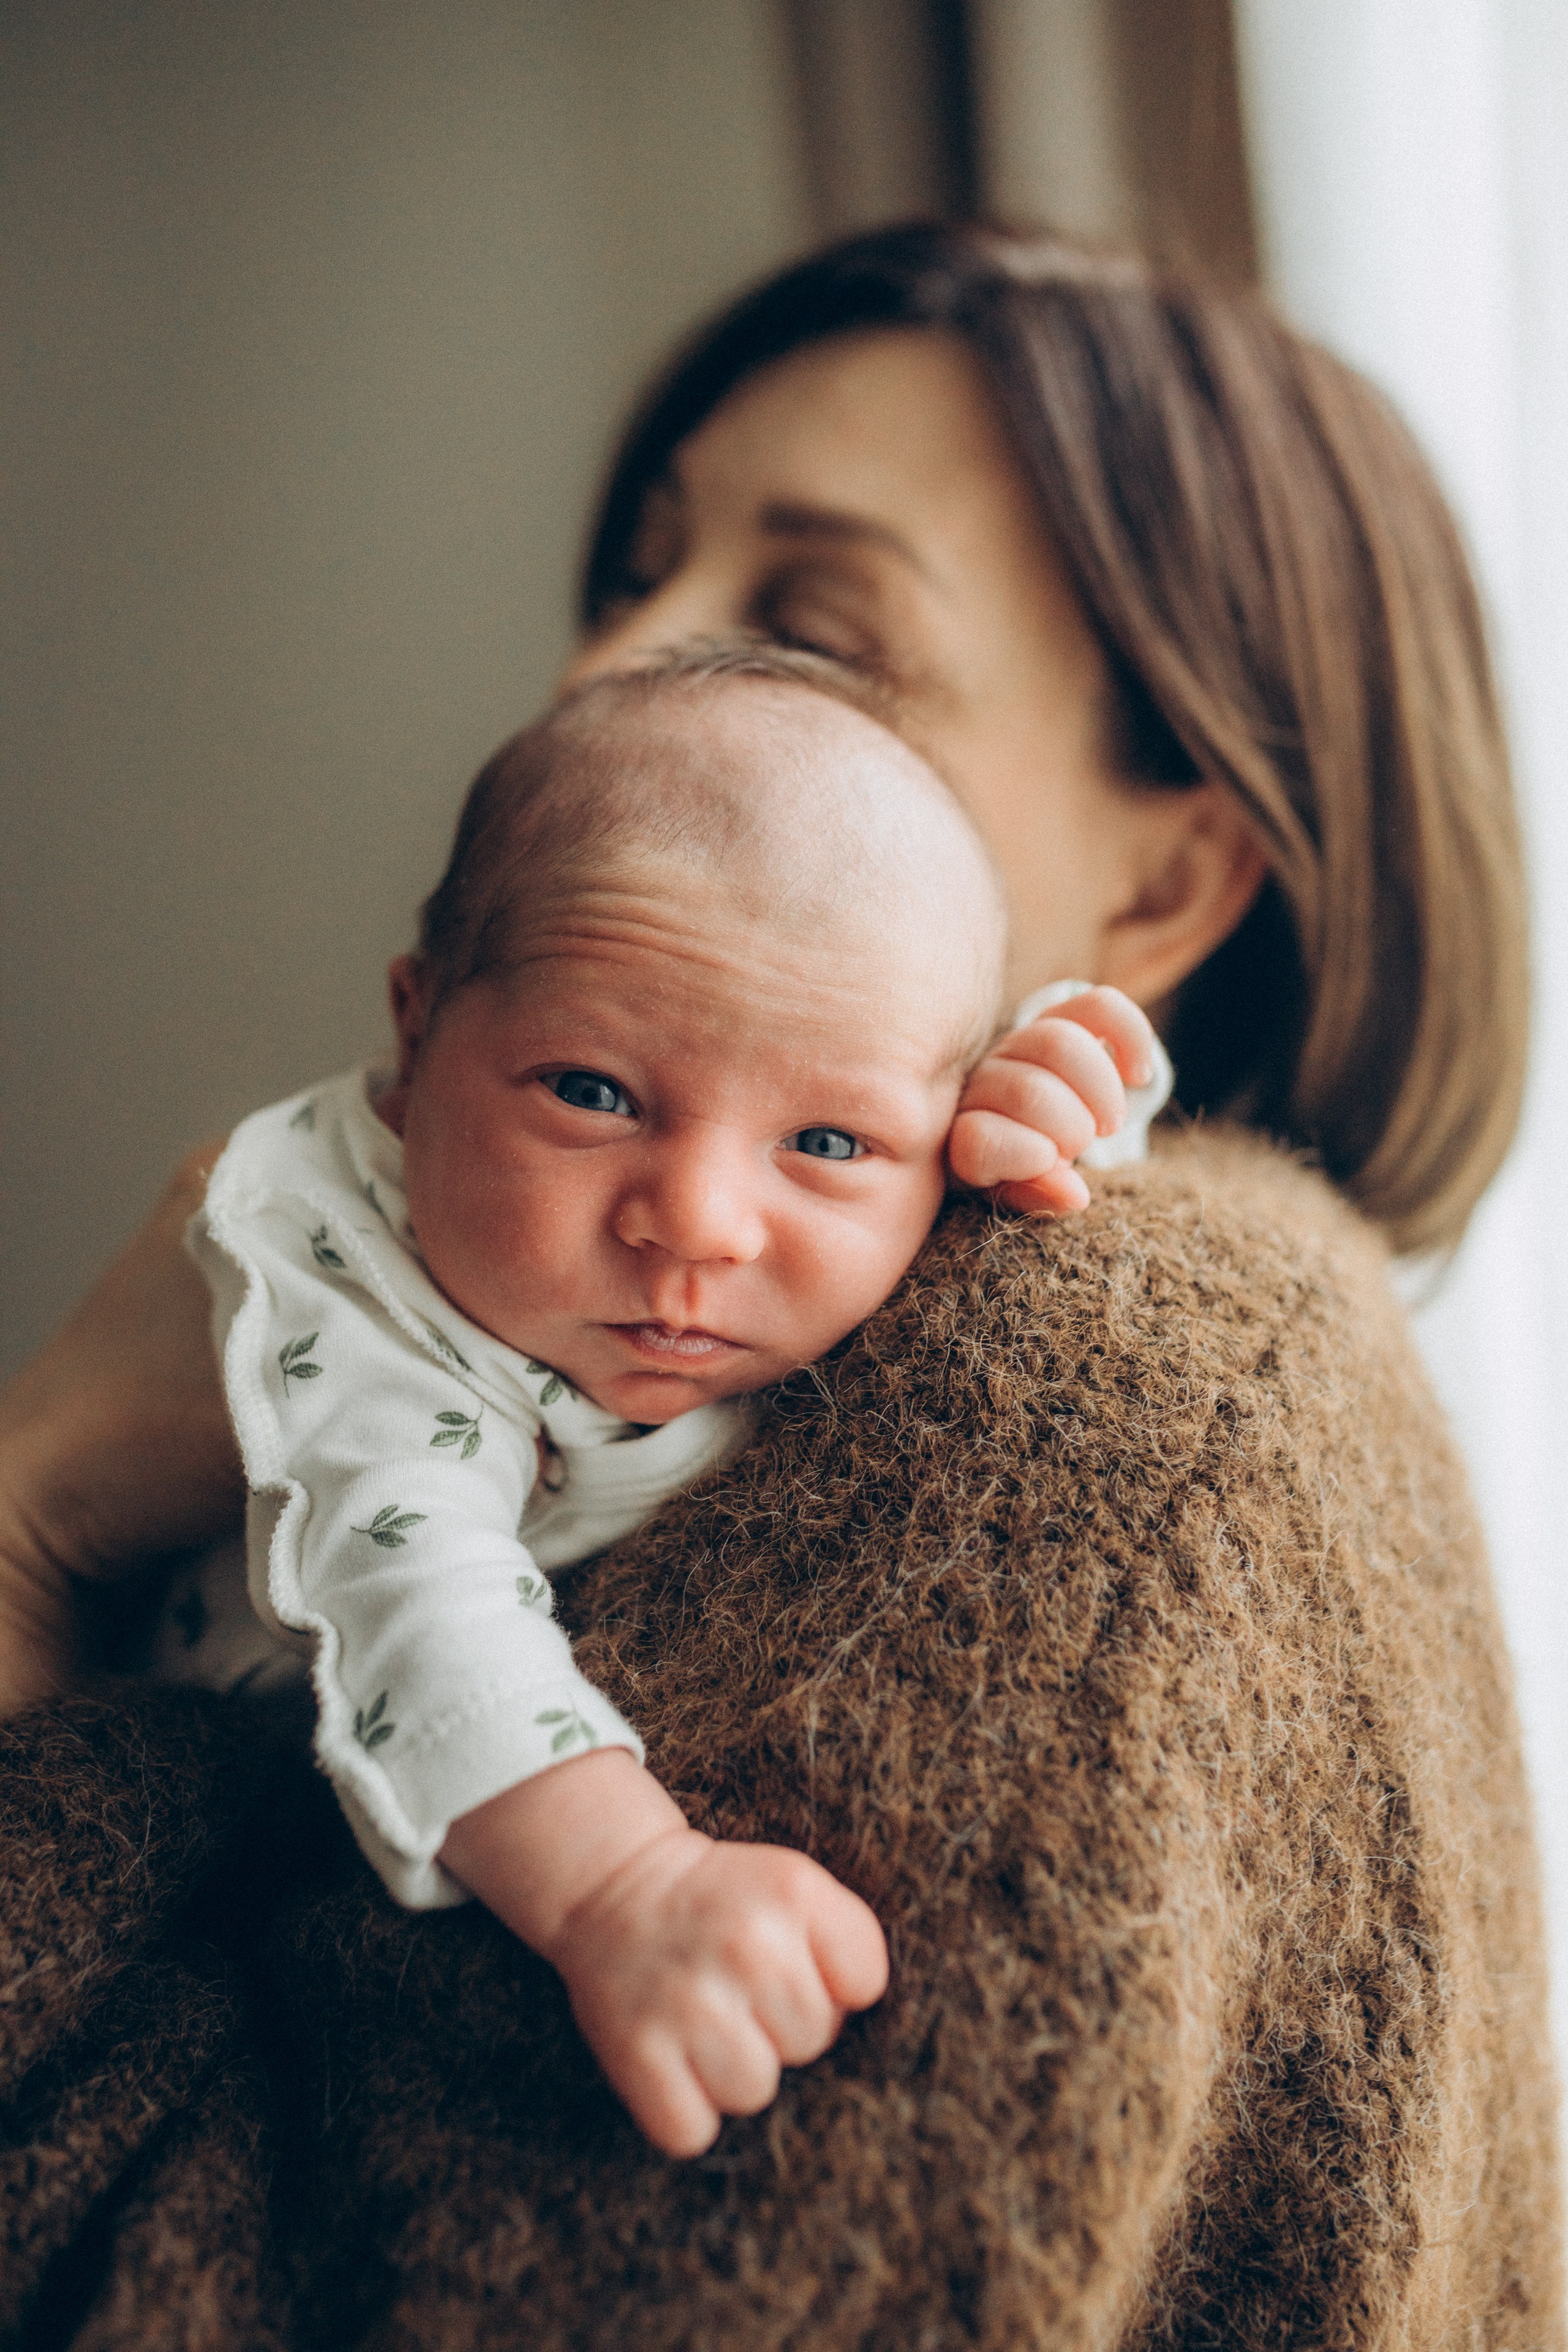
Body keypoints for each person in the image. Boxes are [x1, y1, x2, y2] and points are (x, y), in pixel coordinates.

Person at [0, 225, 1553, 2345]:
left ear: (1172, 879)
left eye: (813, 633)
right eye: (637, 574)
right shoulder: (436, 1257)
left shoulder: (1126, 1394)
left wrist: (29, 1514)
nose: (609, 668)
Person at [155, 644, 1159, 2159]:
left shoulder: (907, 1157)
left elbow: (1036, 1153)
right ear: (416, 1036)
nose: (696, 1222)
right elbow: (418, 1589)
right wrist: (625, 1888)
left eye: (826, 1142)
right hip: (248, 1771)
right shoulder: (352, 1271)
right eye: (592, 1093)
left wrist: (1067, 1111)